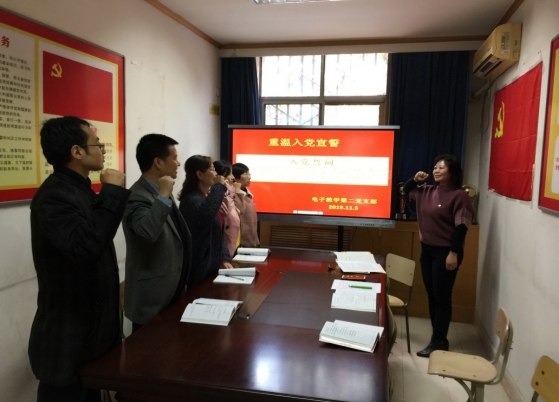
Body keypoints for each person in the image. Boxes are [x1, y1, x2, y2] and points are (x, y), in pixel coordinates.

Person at [29, 116, 130, 402]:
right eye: (97, 144)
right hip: (66, 343)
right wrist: (112, 193)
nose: (103, 150)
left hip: (89, 339)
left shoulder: (79, 189)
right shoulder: (54, 196)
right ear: (77, 152)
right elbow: (86, 247)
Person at [403, 154, 473, 358]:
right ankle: (438, 336)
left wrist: (453, 253)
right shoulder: (427, 190)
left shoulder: (460, 196)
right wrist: (415, 179)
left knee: (442, 297)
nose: (436, 170)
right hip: (427, 250)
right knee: (432, 295)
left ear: (453, 171)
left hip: (447, 251)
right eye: (435, 167)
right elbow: (405, 190)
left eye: (441, 168)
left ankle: (439, 341)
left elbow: (462, 227)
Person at [123, 134, 192, 333]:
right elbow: (147, 231)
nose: (178, 164)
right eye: (174, 158)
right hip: (152, 301)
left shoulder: (161, 190)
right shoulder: (137, 195)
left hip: (172, 294)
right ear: (158, 162)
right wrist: (163, 195)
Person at [178, 155, 233, 288]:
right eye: (212, 170)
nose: (216, 174)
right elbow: (205, 218)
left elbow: (217, 233)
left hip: (211, 268)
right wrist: (219, 186)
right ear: (200, 175)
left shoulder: (205, 198)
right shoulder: (191, 200)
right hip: (198, 272)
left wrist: (224, 257)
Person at [214, 160, 242, 257]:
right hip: (226, 244)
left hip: (234, 240)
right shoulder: (219, 192)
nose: (233, 178)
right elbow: (226, 211)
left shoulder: (228, 191)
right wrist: (225, 187)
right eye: (230, 174)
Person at [232, 162, 260, 247]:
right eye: (246, 174)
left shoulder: (248, 194)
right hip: (240, 244)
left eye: (249, 174)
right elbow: (241, 210)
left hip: (251, 242)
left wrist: (256, 240)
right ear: (235, 177)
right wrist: (237, 191)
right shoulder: (232, 194)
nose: (249, 177)